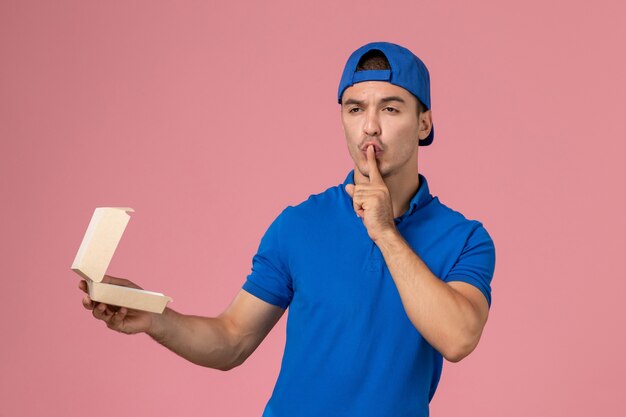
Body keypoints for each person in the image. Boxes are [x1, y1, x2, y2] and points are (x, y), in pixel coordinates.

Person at [79, 41, 496, 417]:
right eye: (355, 109)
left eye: (390, 108)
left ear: (423, 124)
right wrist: (155, 318)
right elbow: (232, 339)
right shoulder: (299, 225)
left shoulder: (464, 239)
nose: (370, 127)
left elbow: (458, 338)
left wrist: (386, 232)